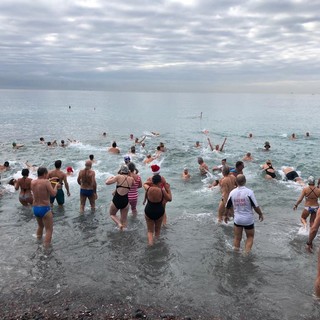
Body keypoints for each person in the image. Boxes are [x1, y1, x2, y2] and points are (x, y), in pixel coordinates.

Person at [225, 174, 264, 253]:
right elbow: (255, 206)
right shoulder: (249, 192)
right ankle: (246, 254)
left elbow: (227, 206)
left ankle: (235, 255)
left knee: (237, 238)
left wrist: (226, 215)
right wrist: (260, 214)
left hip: (237, 219)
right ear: (245, 181)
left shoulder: (232, 192)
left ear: (236, 182)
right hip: (248, 219)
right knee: (250, 237)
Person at [31, 167, 59, 248]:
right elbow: (53, 194)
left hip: (35, 208)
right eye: (47, 174)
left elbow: (40, 184)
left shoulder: (33, 182)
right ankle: (46, 250)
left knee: (40, 226)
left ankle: (38, 242)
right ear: (44, 174)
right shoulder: (46, 182)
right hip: (45, 208)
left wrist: (50, 180)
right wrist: (56, 185)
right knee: (49, 230)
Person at [143, 174, 172, 246]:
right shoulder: (162, 191)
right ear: (160, 182)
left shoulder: (148, 188)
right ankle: (157, 244)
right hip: (159, 212)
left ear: (153, 182)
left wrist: (151, 181)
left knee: (150, 231)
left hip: (149, 211)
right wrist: (168, 189)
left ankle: (150, 244)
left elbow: (144, 183)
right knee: (157, 230)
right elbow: (169, 199)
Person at [105, 164, 134, 230]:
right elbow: (133, 184)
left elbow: (107, 182)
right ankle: (123, 232)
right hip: (125, 201)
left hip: (117, 200)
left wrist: (110, 177)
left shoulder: (118, 177)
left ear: (121, 170)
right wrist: (130, 174)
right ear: (128, 171)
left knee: (112, 214)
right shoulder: (131, 179)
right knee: (124, 219)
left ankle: (119, 224)